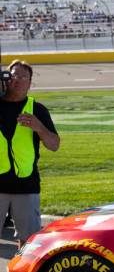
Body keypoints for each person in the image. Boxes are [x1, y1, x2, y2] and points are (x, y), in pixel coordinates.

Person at [0, 60, 60, 247]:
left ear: (30, 83)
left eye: (23, 76)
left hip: (26, 185)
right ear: (6, 79)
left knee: (28, 242)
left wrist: (38, 126)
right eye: (14, 75)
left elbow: (54, 145)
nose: (17, 80)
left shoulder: (38, 110)